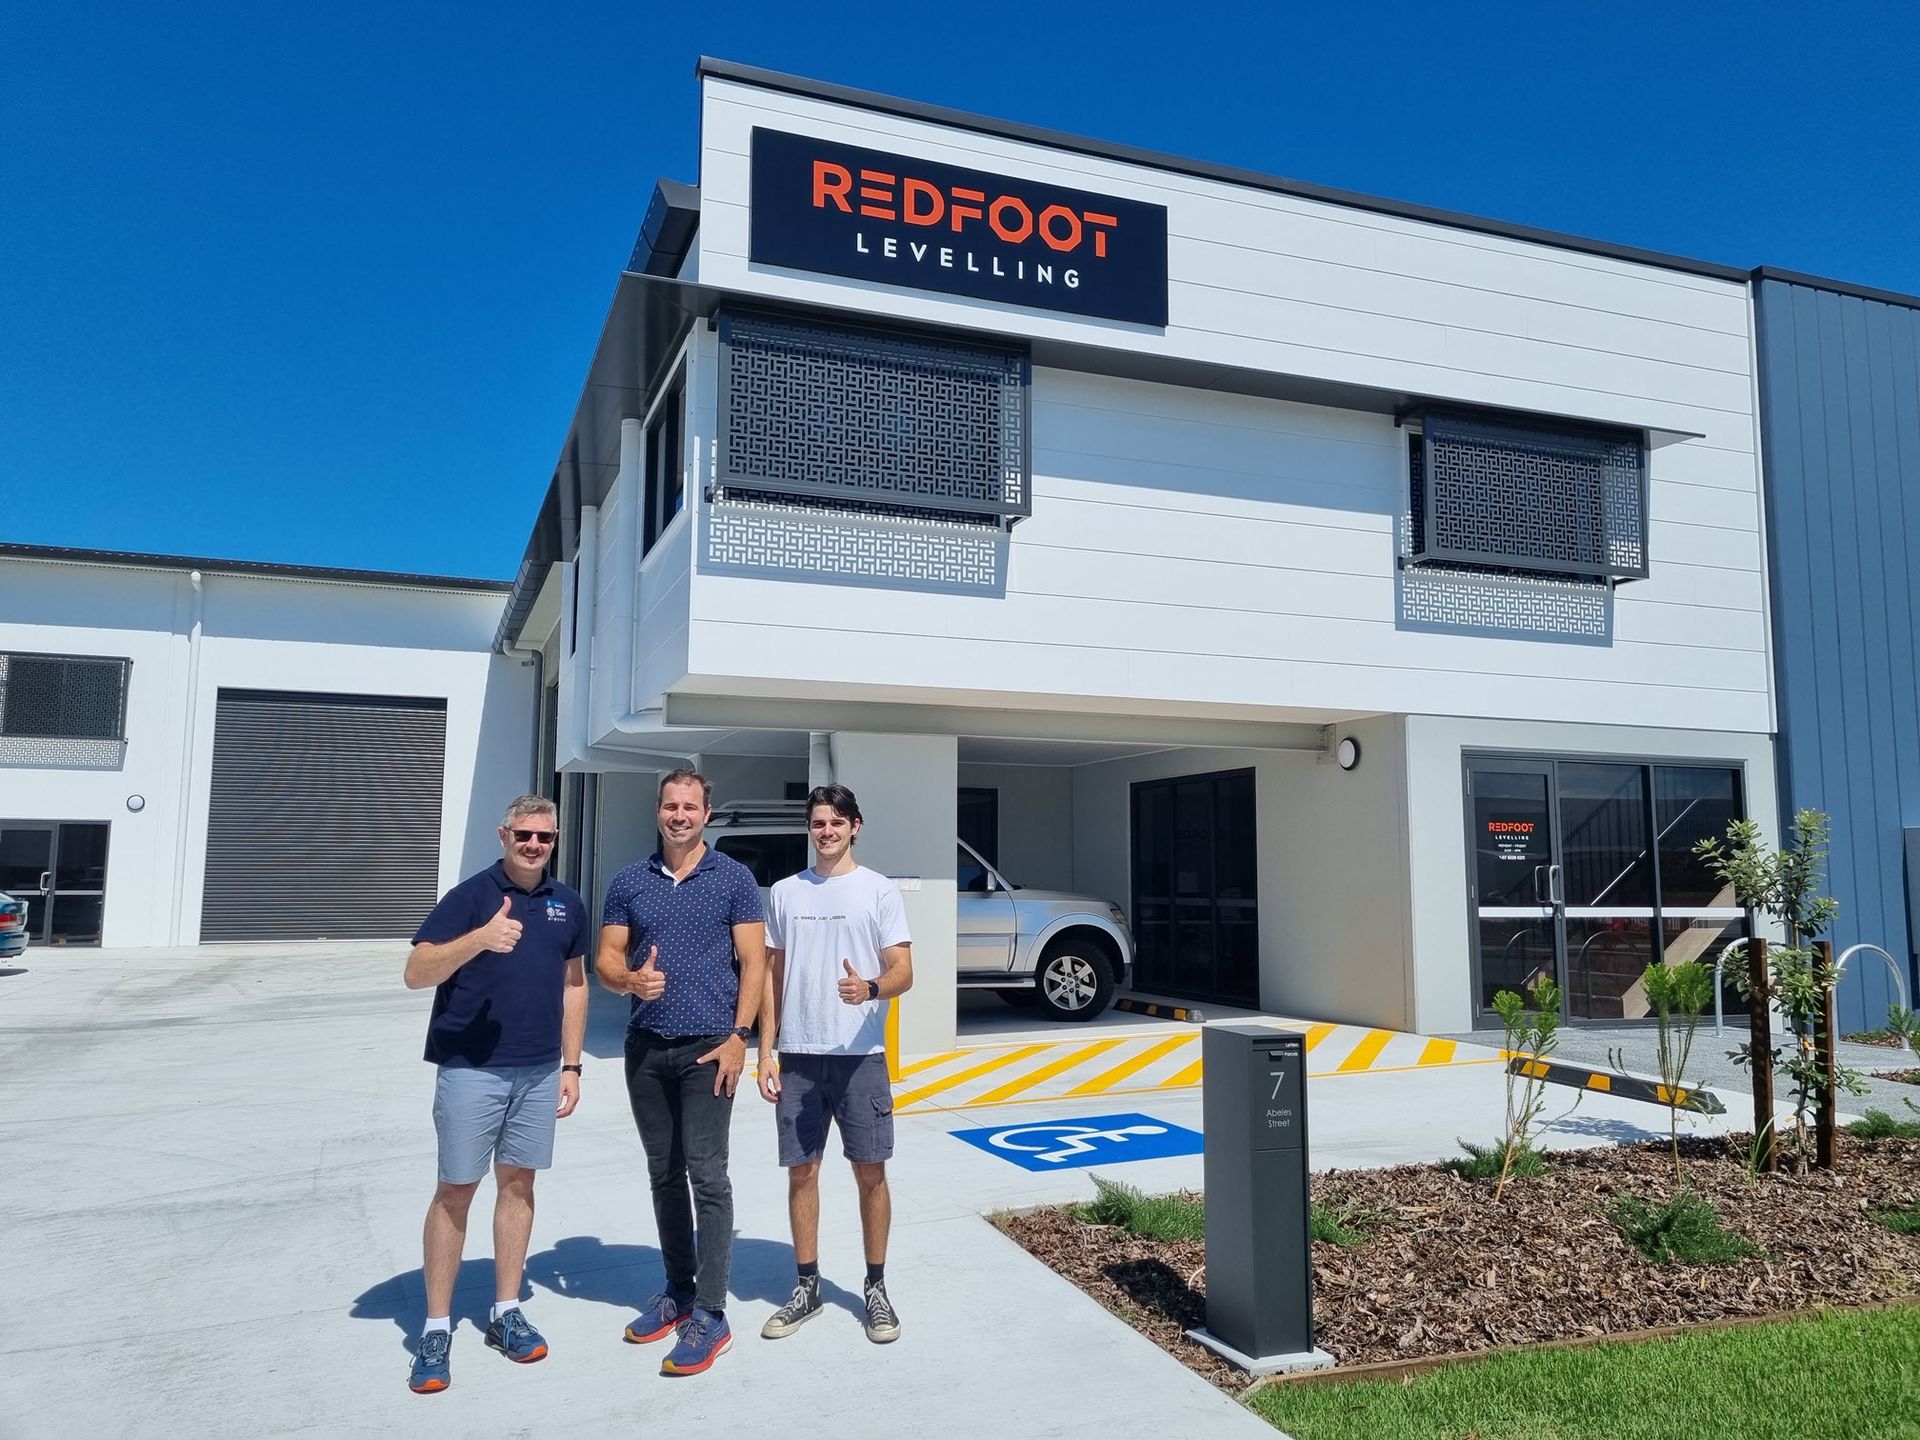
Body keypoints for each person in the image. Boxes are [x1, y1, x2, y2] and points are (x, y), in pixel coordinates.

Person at [401, 795, 588, 1395]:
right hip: (471, 1069)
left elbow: (574, 985)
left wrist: (572, 1065)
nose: (534, 845)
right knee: (456, 1190)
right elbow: (417, 972)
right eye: (524, 835)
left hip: (538, 1069)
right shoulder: (470, 897)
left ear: (555, 840)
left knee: (519, 1184)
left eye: (544, 837)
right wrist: (479, 939)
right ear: (503, 834)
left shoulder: (567, 903)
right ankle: (436, 1327)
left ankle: (506, 1311)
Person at [595, 769, 766, 1377]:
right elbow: (606, 960)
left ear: (706, 814)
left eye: (690, 807)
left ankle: (712, 1315)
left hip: (709, 1051)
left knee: (708, 1177)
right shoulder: (629, 881)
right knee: (663, 1174)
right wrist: (630, 981)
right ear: (658, 810)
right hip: (646, 1050)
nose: (679, 815)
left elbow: (754, 965)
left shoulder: (735, 879)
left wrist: (740, 1038)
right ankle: (679, 1291)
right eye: (671, 806)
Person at [757, 783, 914, 1345]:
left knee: (871, 1172)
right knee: (802, 1171)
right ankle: (807, 1287)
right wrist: (766, 1050)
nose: (826, 831)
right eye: (818, 823)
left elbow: (903, 971)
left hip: (860, 1056)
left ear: (855, 826)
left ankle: (876, 1287)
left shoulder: (879, 890)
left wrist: (870, 987)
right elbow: (771, 976)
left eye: (836, 822)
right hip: (799, 1057)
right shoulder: (785, 892)